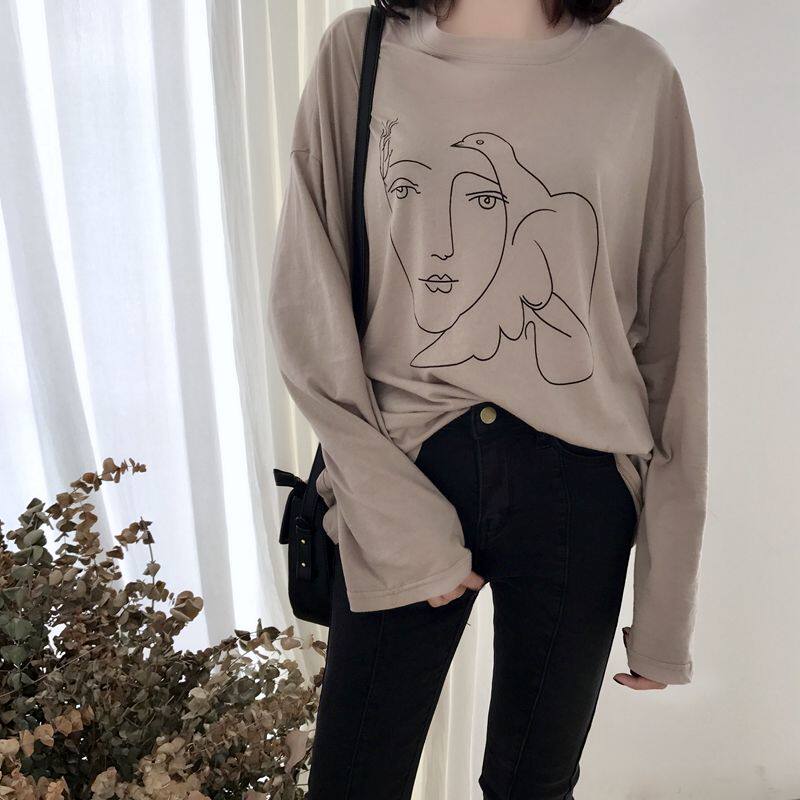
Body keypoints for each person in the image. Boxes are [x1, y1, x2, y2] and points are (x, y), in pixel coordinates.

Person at [267, 0, 708, 797]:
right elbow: (308, 305)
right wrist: (400, 521)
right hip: (404, 471)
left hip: (580, 491)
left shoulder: (638, 76)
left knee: (533, 787)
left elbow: (673, 339)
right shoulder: (360, 51)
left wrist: (666, 603)